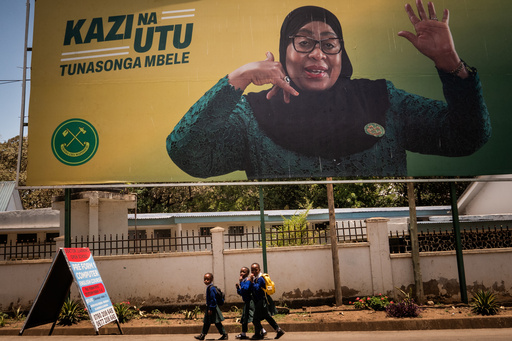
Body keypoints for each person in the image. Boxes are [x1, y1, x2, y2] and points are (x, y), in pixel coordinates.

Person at [166, 1, 491, 179]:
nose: (318, 54)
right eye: (304, 42)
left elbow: (466, 136)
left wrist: (451, 65)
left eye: (329, 44)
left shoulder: (382, 99)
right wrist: (238, 78)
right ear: (284, 50)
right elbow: (188, 153)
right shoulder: (255, 113)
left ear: (341, 53)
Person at [249, 263, 284, 339]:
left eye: (256, 270)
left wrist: (251, 282)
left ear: (259, 270)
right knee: (267, 316)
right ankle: (278, 330)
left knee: (255, 318)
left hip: (261, 301)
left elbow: (257, 289)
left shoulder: (260, 278)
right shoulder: (256, 278)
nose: (254, 272)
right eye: (252, 270)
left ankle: (258, 334)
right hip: (259, 301)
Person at [195, 273, 228, 340]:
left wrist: (210, 308)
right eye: (205, 279)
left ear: (211, 280)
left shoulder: (211, 288)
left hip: (213, 308)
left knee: (217, 322)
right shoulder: (209, 288)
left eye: (207, 279)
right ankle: (203, 335)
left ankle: (224, 334)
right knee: (206, 322)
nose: (206, 281)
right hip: (210, 307)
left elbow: (213, 299)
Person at [235, 266, 265, 339]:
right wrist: (238, 288)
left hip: (250, 302)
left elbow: (245, 289)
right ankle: (243, 333)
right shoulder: (244, 281)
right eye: (241, 271)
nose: (242, 273)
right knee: (244, 318)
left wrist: (241, 282)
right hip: (246, 301)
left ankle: (262, 330)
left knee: (252, 317)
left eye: (244, 272)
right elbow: (242, 292)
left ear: (248, 273)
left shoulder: (248, 281)